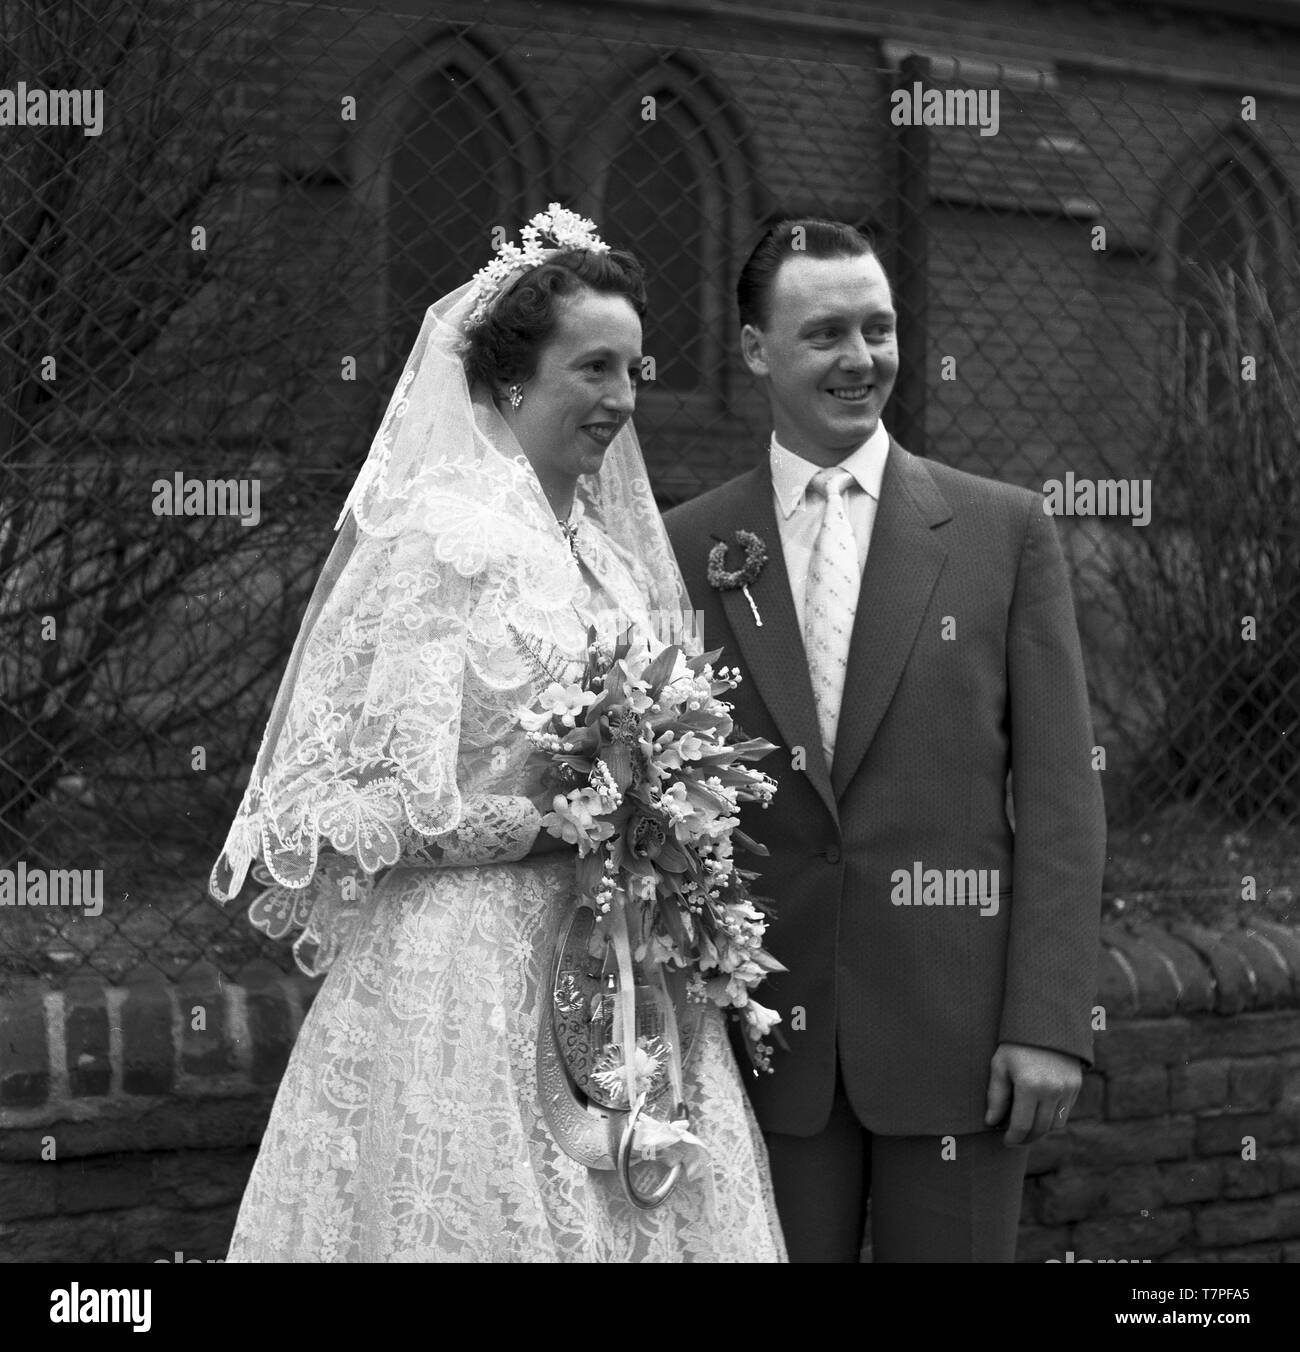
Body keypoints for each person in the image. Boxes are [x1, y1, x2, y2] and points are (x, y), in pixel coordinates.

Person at [209, 208, 785, 1262]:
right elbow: (322, 805)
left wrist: (663, 818)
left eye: (634, 369)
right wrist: (540, 825)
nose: (621, 398)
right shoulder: (437, 540)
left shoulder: (614, 565)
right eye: (594, 367)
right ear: (513, 380)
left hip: (621, 976)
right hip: (459, 983)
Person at [664, 218, 1105, 1262]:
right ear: (753, 349)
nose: (860, 359)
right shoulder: (683, 545)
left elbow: (1059, 796)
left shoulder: (1002, 531)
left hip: (959, 1042)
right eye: (824, 334)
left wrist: (1048, 1019)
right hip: (755, 1041)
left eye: (879, 328)